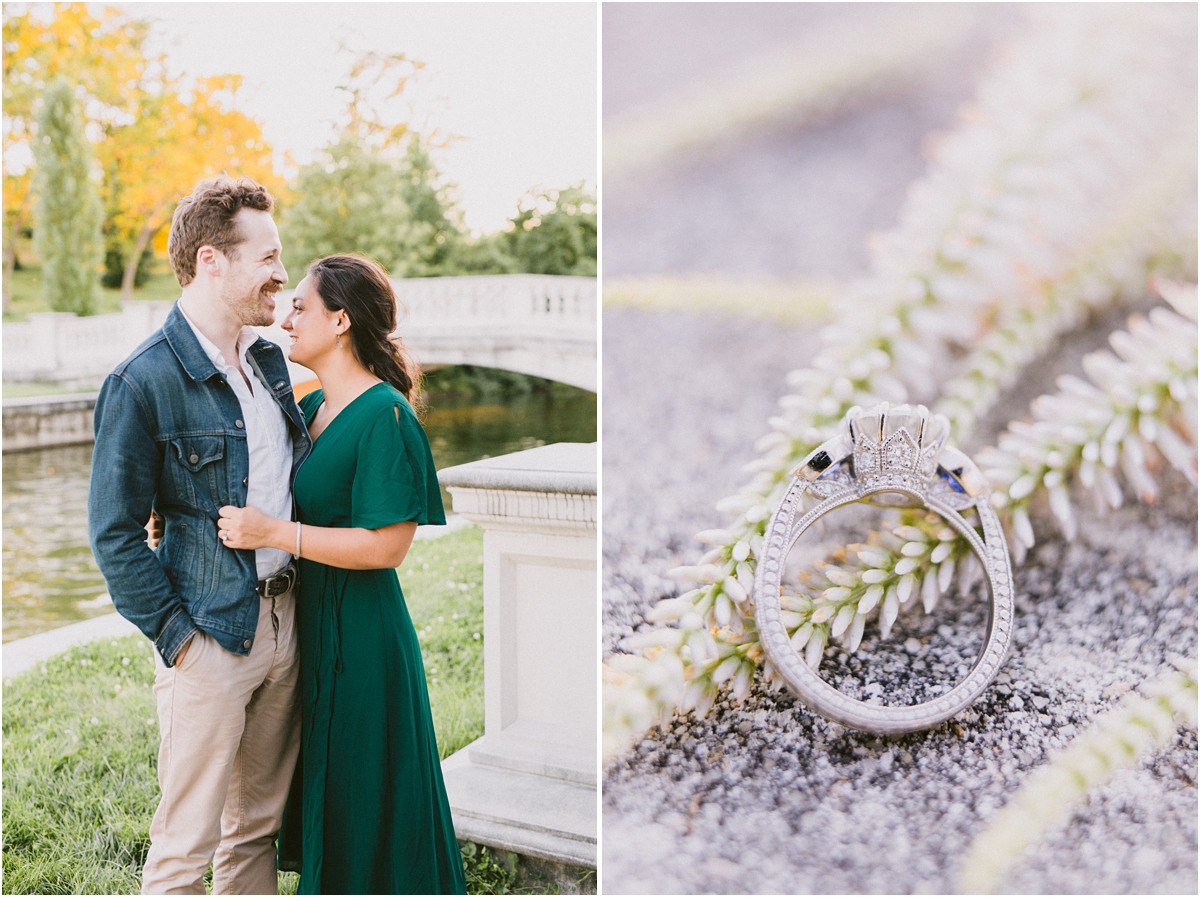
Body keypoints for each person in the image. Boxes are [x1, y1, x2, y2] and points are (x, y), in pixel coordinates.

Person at [214, 254, 467, 894]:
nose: (287, 317)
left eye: (301, 306)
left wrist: (276, 534)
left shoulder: (385, 415)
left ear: (342, 319)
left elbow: (386, 547)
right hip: (313, 627)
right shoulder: (315, 403)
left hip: (364, 632)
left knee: (369, 789)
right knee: (331, 781)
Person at [88, 175, 310, 894]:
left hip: (285, 620)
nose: (282, 272)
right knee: (187, 844)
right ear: (212, 261)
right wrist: (179, 637)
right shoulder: (141, 380)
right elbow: (114, 534)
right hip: (207, 636)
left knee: (256, 832)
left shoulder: (271, 360)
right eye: (268, 257)